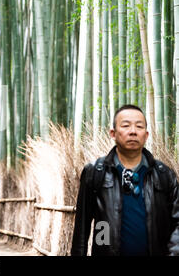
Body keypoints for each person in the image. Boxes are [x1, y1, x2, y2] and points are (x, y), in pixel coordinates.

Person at [71, 104, 179, 256]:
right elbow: (82, 228)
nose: (133, 131)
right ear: (113, 133)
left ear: (146, 135)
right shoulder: (95, 172)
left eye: (139, 126)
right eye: (126, 125)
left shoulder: (164, 175)